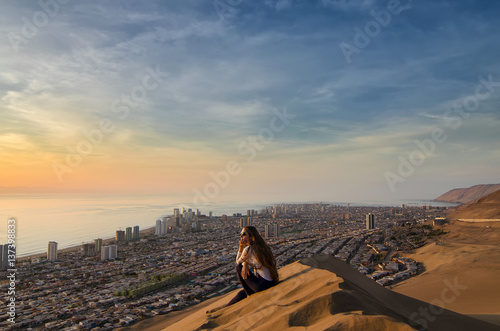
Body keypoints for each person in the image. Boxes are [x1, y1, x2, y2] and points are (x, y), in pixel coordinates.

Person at [226, 226, 279, 306]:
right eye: (241, 234)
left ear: (251, 237)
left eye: (244, 234)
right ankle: (224, 309)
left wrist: (241, 247)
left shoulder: (248, 249)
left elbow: (238, 261)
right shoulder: (264, 247)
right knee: (241, 294)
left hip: (261, 285)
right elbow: (252, 259)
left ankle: (249, 294)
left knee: (238, 267)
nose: (241, 236)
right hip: (271, 282)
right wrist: (246, 263)